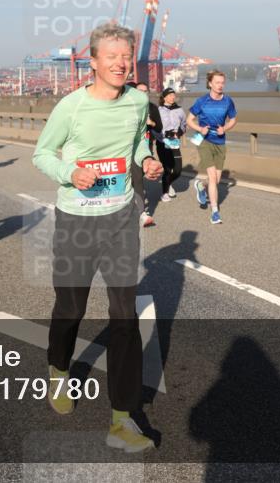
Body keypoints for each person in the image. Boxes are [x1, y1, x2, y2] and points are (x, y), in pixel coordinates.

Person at [32, 23, 163, 453]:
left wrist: (147, 161)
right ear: (93, 62)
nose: (122, 64)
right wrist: (70, 173)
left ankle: (122, 419)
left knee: (125, 317)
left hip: (121, 219)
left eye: (126, 56)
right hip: (77, 222)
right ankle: (58, 370)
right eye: (112, 57)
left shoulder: (138, 101)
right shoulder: (71, 108)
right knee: (71, 308)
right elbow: (41, 154)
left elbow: (137, 144)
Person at [187, 70, 237, 224]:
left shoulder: (228, 101)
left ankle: (201, 185)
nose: (220, 85)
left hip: (220, 142)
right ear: (210, 83)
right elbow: (189, 120)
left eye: (222, 82)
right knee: (213, 177)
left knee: (216, 179)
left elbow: (233, 119)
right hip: (204, 141)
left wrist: (225, 128)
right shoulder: (202, 101)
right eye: (217, 82)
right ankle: (215, 212)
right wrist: (200, 129)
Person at [129, 82, 162, 227]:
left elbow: (159, 127)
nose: (143, 94)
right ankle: (132, 206)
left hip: (143, 148)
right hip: (122, 150)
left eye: (145, 91)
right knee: (128, 180)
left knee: (138, 179)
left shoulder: (152, 108)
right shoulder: (126, 107)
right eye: (140, 91)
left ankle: (141, 212)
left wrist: (151, 123)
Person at [157, 88, 186, 202]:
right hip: (162, 142)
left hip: (174, 143)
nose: (173, 97)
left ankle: (168, 183)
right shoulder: (158, 110)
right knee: (167, 169)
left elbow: (184, 125)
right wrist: (164, 135)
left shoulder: (179, 110)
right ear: (164, 97)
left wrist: (179, 132)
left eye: (173, 95)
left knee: (178, 169)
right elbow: (154, 128)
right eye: (170, 95)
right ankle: (165, 193)